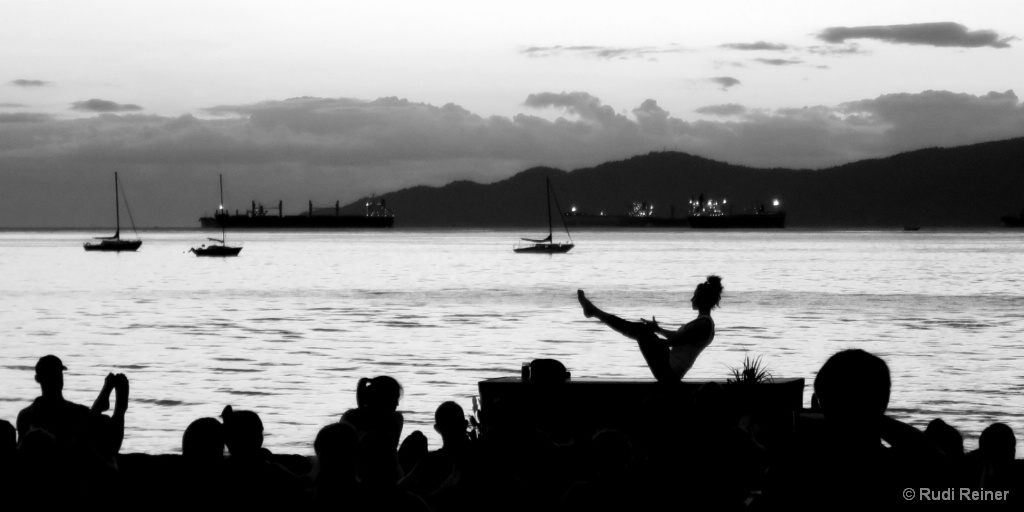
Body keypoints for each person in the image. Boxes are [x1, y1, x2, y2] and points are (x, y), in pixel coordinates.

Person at [577, 276, 723, 382]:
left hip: (669, 372)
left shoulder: (702, 325)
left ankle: (594, 312)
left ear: (703, 299)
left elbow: (672, 342)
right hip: (669, 366)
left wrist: (645, 337)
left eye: (695, 296)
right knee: (641, 330)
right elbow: (676, 337)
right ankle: (594, 312)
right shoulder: (702, 322)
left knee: (641, 330)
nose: (691, 299)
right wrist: (657, 329)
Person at [16, 355, 91, 448]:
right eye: (52, 374)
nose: (56, 378)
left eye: (57, 374)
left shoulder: (25, 415)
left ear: (37, 379)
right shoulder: (80, 412)